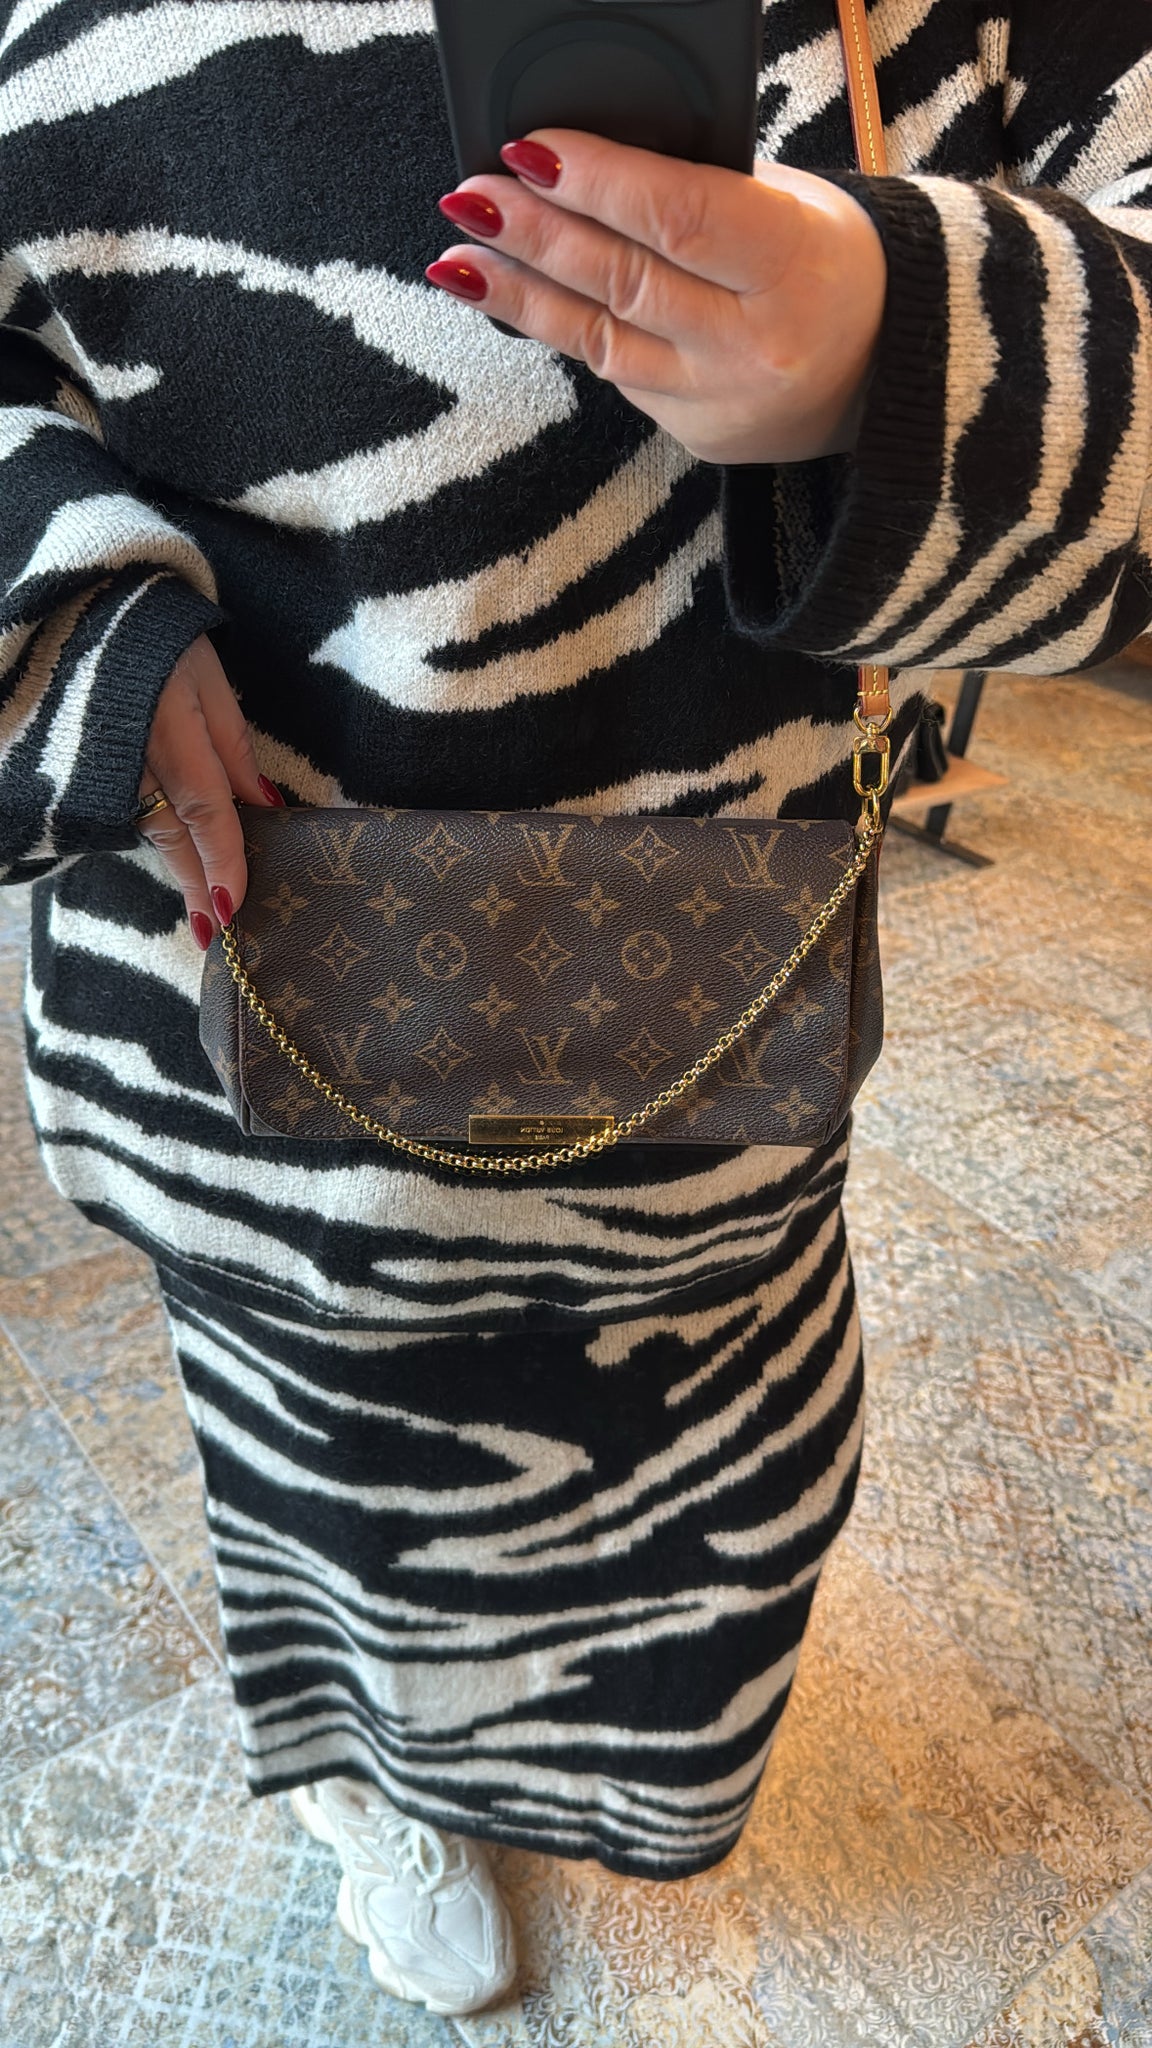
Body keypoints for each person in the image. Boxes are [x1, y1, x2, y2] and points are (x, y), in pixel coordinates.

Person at [2, 0, 1150, 2020]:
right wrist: (64, 595)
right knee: (331, 1479)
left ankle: (616, 1766)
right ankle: (374, 1781)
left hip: (712, 1057)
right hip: (249, 1005)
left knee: (701, 1500)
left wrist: (908, 351)